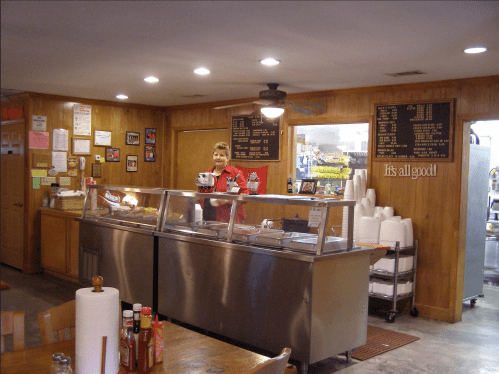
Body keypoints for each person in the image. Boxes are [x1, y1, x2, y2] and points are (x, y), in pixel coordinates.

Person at [202, 142, 249, 223]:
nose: (218, 158)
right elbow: (201, 196)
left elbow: (245, 195)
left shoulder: (236, 173)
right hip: (208, 218)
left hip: (230, 219)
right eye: (216, 155)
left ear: (227, 158)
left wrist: (227, 200)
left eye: (222, 155)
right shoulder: (206, 174)